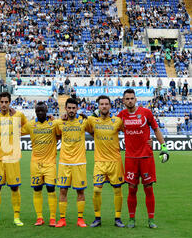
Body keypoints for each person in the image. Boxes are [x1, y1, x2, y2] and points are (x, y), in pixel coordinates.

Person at [117, 89, 169, 228]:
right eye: (127, 99)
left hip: (146, 156)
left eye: (132, 98)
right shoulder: (120, 116)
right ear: (123, 101)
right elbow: (110, 127)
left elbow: (156, 129)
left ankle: (151, 220)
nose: (129, 101)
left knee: (148, 188)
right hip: (130, 158)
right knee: (132, 189)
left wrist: (163, 146)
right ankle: (132, 219)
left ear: (136, 99)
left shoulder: (146, 113)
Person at [0, 92, 28, 227]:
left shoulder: (18, 116)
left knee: (14, 188)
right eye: (1, 102)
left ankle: (16, 217)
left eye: (6, 102)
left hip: (12, 159)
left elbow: (27, 127)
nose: (4, 104)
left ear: (10, 102)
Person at [87, 95, 125, 228]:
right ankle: (97, 217)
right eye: (101, 104)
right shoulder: (92, 120)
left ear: (110, 106)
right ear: (98, 106)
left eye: (106, 104)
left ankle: (118, 218)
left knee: (117, 190)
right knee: (96, 190)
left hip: (115, 161)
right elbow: (80, 126)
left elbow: (130, 133)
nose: (104, 106)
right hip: (99, 161)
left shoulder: (118, 121)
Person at [21, 102, 59, 227]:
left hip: (50, 164)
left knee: (51, 189)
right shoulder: (31, 125)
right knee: (37, 190)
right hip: (35, 163)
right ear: (35, 112)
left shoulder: (53, 124)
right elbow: (17, 130)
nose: (40, 113)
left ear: (46, 111)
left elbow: (64, 130)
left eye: (42, 111)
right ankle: (39, 217)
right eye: (38, 111)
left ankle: (52, 218)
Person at [55, 97, 89, 228]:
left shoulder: (83, 121)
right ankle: (62, 219)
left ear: (77, 109)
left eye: (74, 108)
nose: (71, 110)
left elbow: (96, 120)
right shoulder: (60, 123)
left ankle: (80, 218)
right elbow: (57, 135)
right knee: (63, 190)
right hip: (64, 162)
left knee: (80, 191)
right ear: (65, 108)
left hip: (79, 162)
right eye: (69, 108)